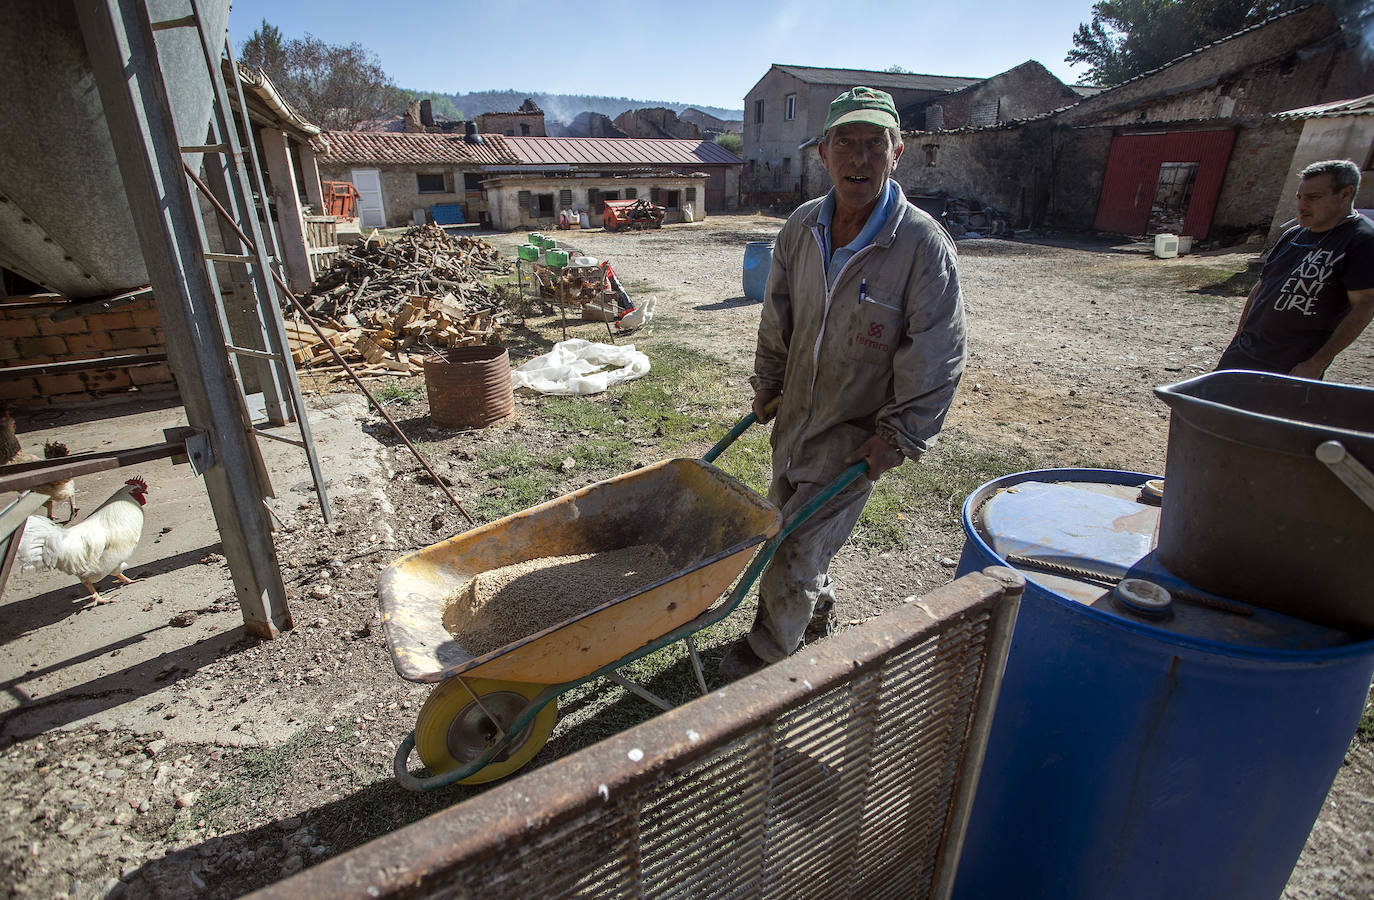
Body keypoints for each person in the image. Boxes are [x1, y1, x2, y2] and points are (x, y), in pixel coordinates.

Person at [719, 86, 966, 681]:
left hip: (856, 434)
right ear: (822, 152)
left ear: (897, 152)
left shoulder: (920, 246)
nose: (860, 159)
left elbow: (937, 351)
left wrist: (899, 436)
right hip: (795, 416)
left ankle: (768, 657)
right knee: (784, 521)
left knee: (793, 545)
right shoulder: (802, 228)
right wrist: (768, 382)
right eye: (846, 144)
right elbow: (777, 314)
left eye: (874, 145)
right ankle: (818, 605)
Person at [1217, 159, 1374, 379]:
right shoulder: (1293, 235)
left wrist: (1317, 363)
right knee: (1206, 408)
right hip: (1244, 353)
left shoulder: (1360, 240)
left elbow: (1364, 306)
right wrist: (1239, 336)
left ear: (1345, 194)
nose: (1302, 206)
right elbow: (1262, 285)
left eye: (1313, 198)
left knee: (1264, 413)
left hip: (1291, 363)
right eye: (1300, 198)